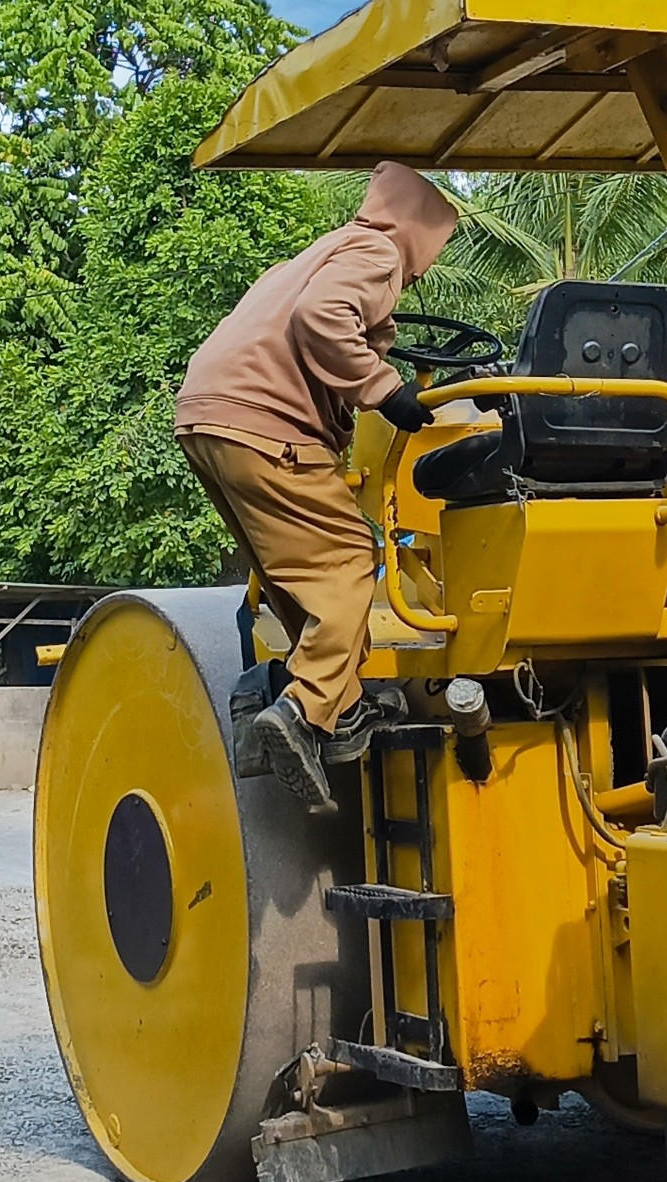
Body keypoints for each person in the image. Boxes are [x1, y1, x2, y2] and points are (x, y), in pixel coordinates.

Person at [174, 160, 456, 812]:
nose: (420, 272)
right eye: (430, 251)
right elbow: (322, 317)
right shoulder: (377, 252)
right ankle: (299, 710)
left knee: (301, 582)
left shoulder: (317, 252)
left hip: (208, 419)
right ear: (415, 232)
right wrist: (387, 392)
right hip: (268, 425)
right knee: (351, 562)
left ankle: (331, 712)